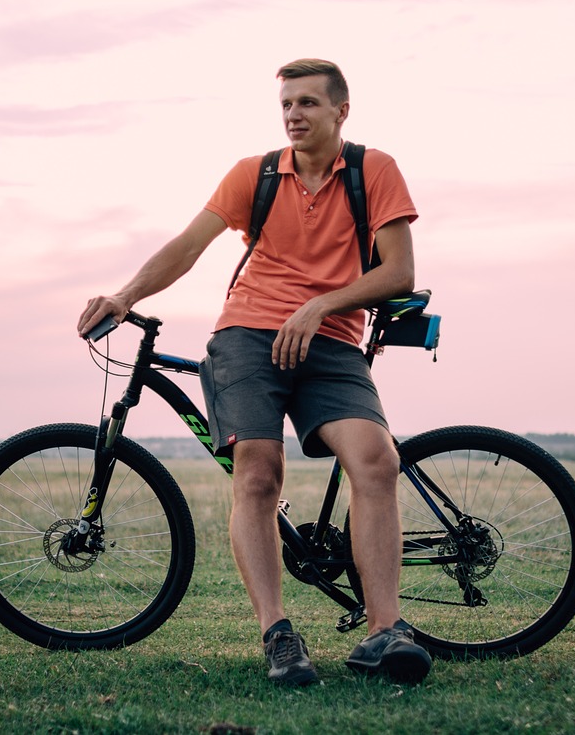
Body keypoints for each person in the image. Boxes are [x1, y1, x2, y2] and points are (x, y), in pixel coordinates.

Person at [76, 59, 432, 686]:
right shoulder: (255, 175)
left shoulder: (374, 171)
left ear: (341, 111)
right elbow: (187, 248)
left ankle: (385, 633)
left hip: (332, 340)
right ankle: (278, 634)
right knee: (259, 472)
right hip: (247, 337)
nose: (294, 116)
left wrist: (320, 305)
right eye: (287, 105)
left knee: (376, 461)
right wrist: (126, 295)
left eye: (308, 105)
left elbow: (399, 272)